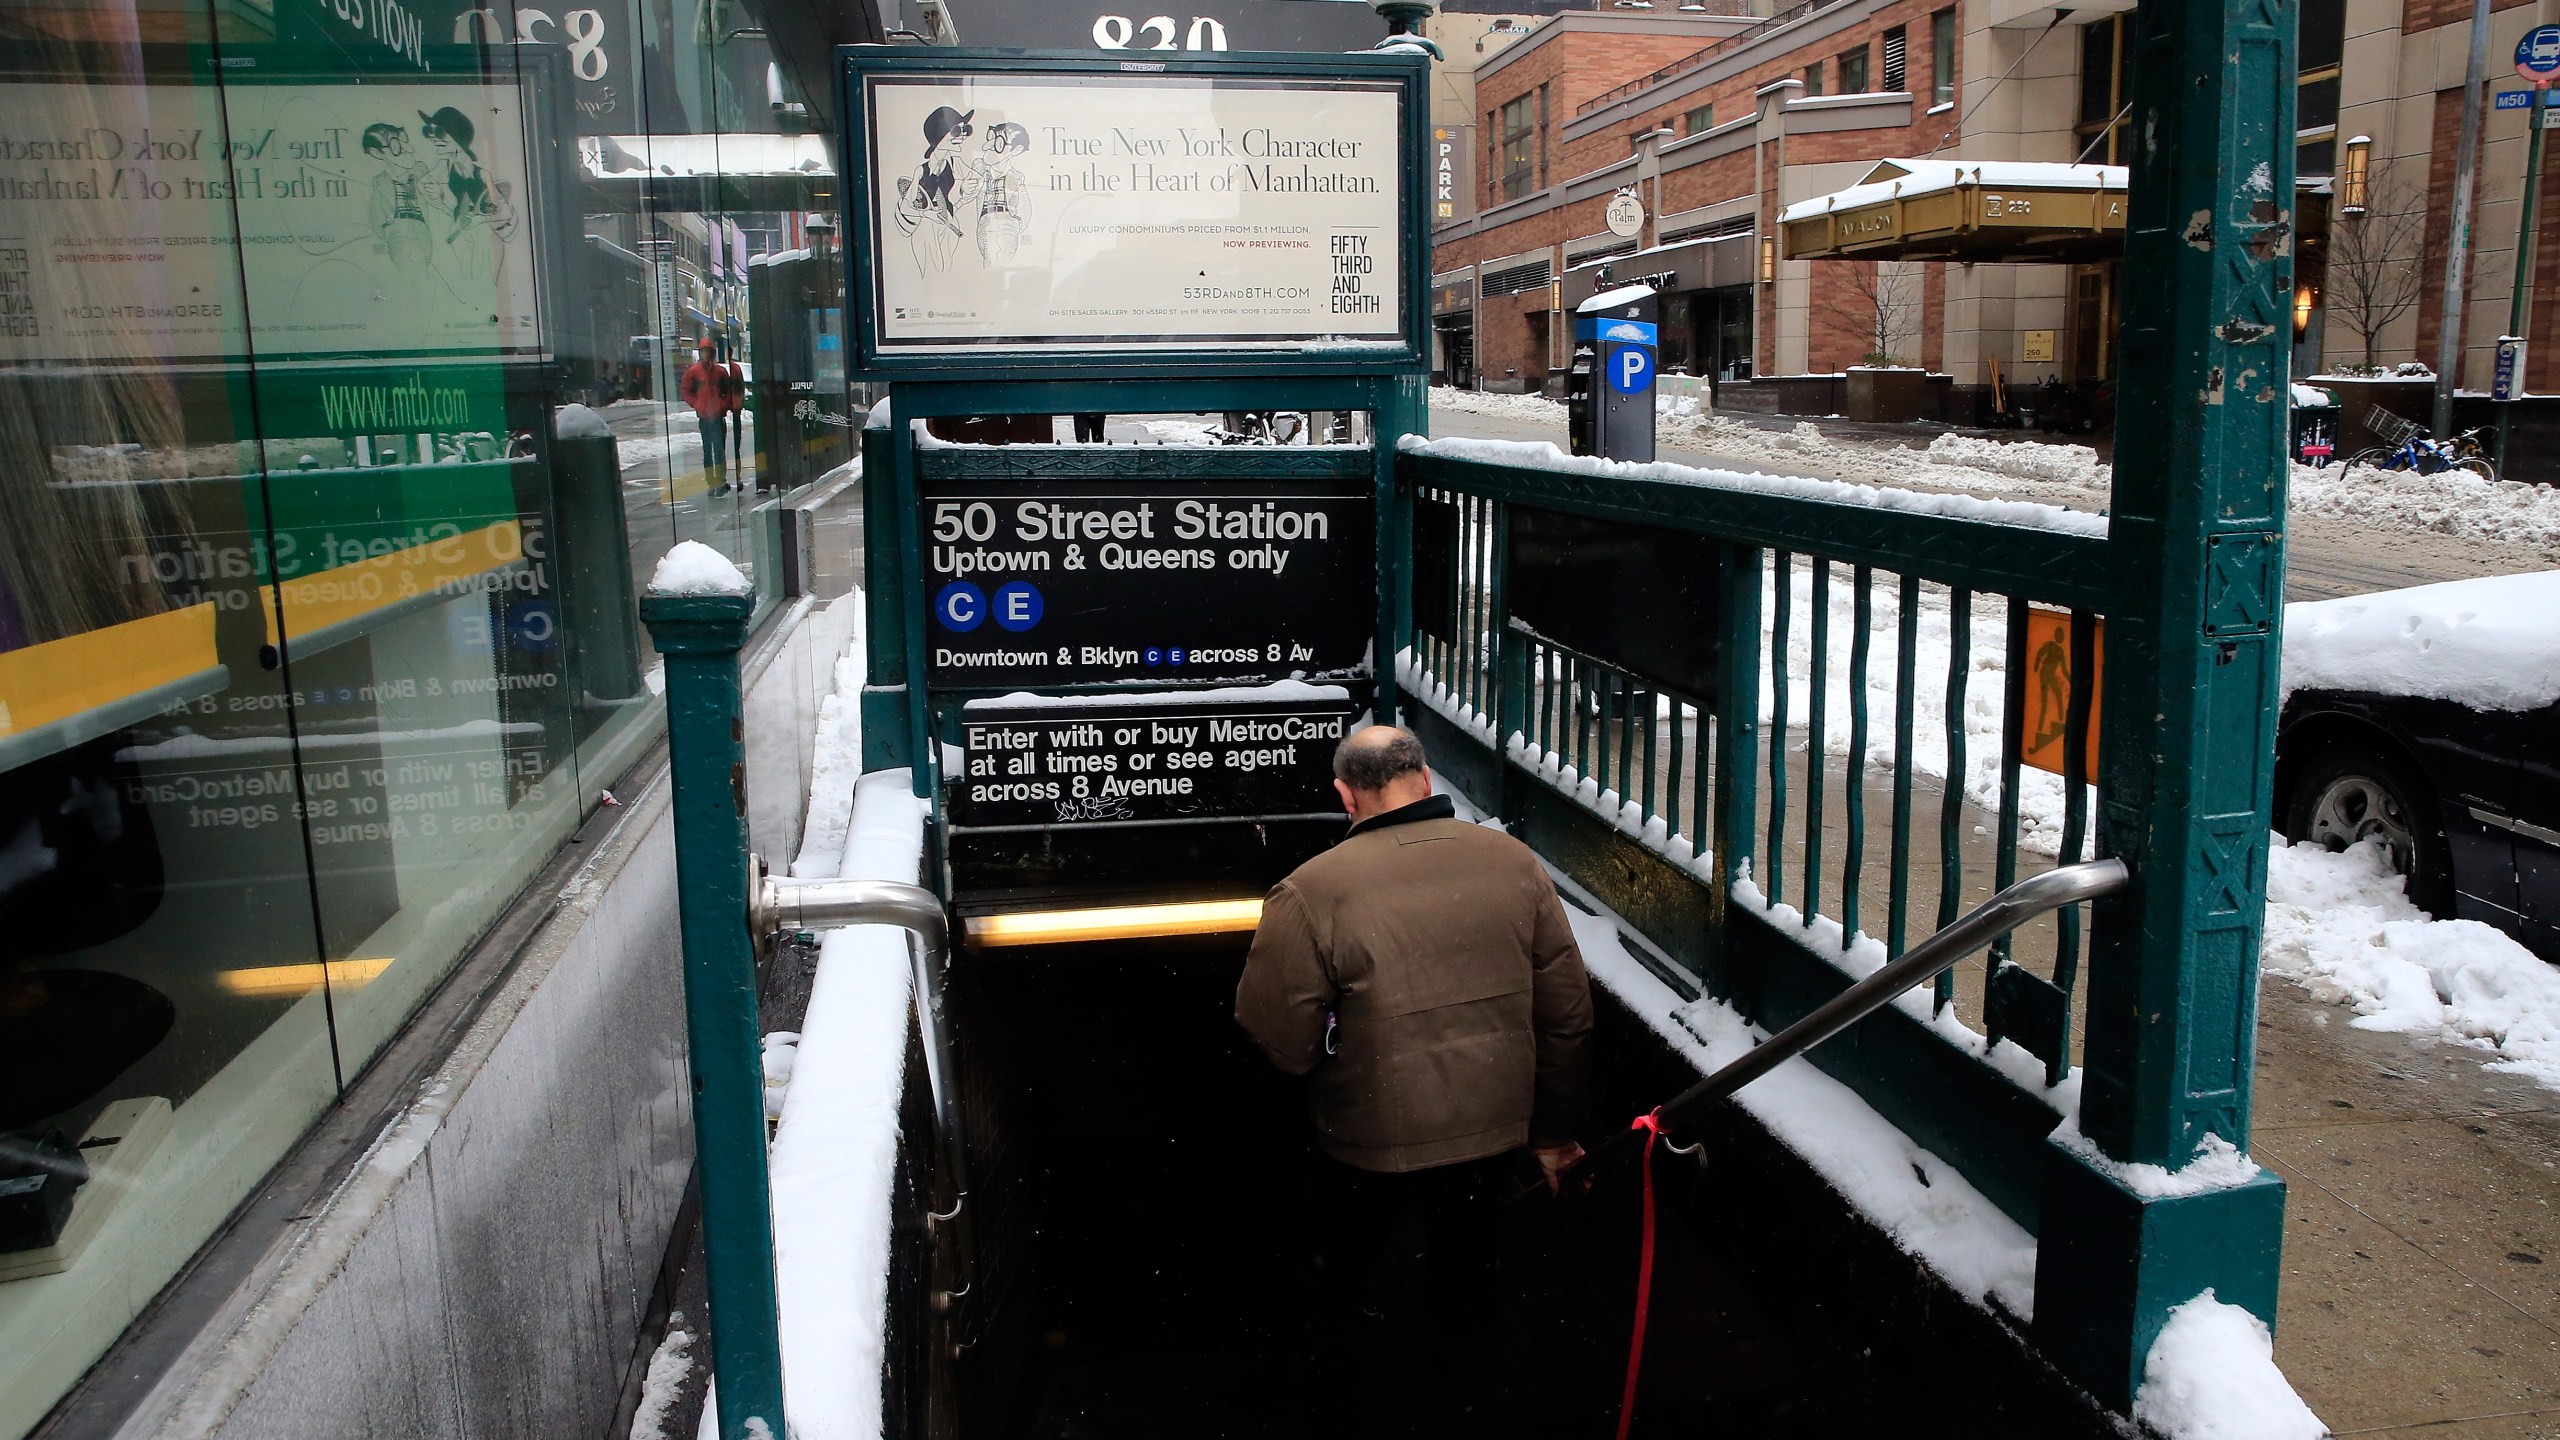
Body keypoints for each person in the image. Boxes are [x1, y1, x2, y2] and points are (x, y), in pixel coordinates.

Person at [1235, 726, 1592, 1439]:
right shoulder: (1513, 863)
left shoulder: (1311, 891)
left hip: (1370, 1141)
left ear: (1344, 794)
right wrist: (1551, 1133)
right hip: (1494, 1132)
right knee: (1468, 1289)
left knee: (1332, 1277)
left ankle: (1340, 1407)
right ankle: (1462, 1413)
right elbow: (1569, 1015)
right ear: (1424, 781)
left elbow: (1279, 1039)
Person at [680, 339, 731, 494]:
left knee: (719, 450)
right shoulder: (693, 372)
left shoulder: (720, 372)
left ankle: (720, 481)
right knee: (708, 451)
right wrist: (697, 404)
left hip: (716, 416)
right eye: (703, 351)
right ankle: (711, 482)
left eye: (708, 351)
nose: (705, 355)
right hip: (704, 416)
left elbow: (728, 391)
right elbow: (685, 390)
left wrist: (722, 405)